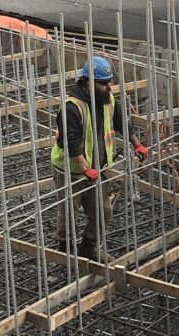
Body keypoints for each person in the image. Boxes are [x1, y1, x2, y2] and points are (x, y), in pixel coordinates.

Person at [51, 56, 148, 260]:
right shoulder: (72, 108)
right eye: (102, 83)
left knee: (103, 210)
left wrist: (137, 144)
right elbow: (71, 143)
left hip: (97, 169)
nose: (108, 86)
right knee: (69, 214)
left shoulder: (108, 99)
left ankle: (89, 248)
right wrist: (86, 168)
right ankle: (67, 254)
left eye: (109, 81)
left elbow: (122, 122)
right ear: (87, 82)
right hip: (72, 171)